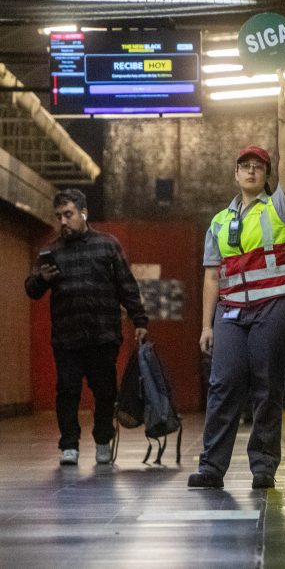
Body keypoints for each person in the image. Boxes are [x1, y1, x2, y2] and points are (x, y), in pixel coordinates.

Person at [188, 83, 285, 490]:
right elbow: (211, 275)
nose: (252, 170)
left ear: (266, 175)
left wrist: (284, 118)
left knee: (266, 385)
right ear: (236, 174)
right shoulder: (220, 222)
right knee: (223, 384)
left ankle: (263, 467)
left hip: (275, 306)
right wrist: (206, 325)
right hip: (232, 313)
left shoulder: (280, 207)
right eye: (245, 166)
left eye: (258, 166)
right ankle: (211, 468)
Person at [24, 188, 149, 466]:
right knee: (67, 391)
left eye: (68, 214)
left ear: (83, 213)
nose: (63, 221)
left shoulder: (108, 245)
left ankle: (103, 439)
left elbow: (126, 285)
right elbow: (31, 290)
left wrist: (139, 320)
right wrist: (42, 279)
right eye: (59, 216)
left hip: (103, 334)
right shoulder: (51, 251)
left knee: (105, 391)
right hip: (66, 338)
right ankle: (69, 445)